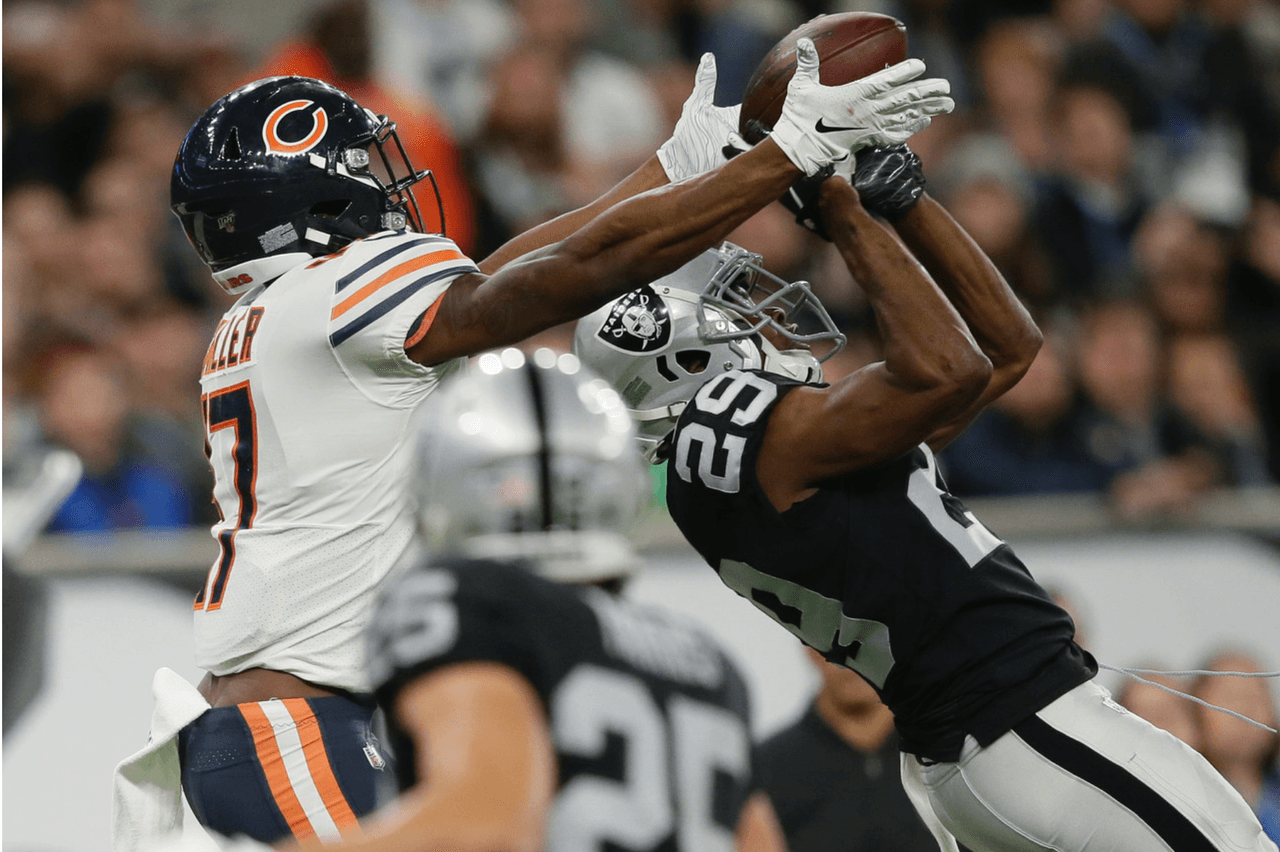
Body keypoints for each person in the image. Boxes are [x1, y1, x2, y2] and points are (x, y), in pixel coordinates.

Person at [112, 41, 956, 850]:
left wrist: (682, 164)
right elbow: (567, 276)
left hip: (306, 720)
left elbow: (517, 273)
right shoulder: (327, 300)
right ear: (308, 200)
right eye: (360, 171)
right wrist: (778, 160)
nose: (386, 185)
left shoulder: (295, 311)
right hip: (302, 725)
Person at [575, 145, 1279, 851]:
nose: (755, 320)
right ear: (682, 364)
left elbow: (1006, 349)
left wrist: (909, 203)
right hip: (1014, 721)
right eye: (727, 314)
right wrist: (845, 212)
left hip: (988, 737)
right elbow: (950, 366)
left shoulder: (760, 461)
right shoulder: (743, 437)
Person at [755, 646, 949, 852]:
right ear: (808, 646)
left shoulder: (954, 757)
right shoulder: (763, 771)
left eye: (865, 635)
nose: (851, 654)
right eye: (834, 635)